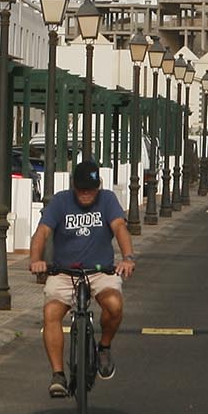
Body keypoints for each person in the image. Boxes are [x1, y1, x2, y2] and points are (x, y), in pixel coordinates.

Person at [27, 158, 135, 399]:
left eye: (91, 190)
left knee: (114, 305)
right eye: (81, 189)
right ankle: (58, 375)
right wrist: (36, 259)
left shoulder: (107, 199)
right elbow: (42, 232)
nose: (86, 194)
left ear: (99, 187)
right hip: (64, 272)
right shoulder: (60, 201)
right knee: (51, 314)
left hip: (100, 271)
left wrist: (128, 257)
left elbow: (119, 228)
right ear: (73, 186)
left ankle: (104, 347)